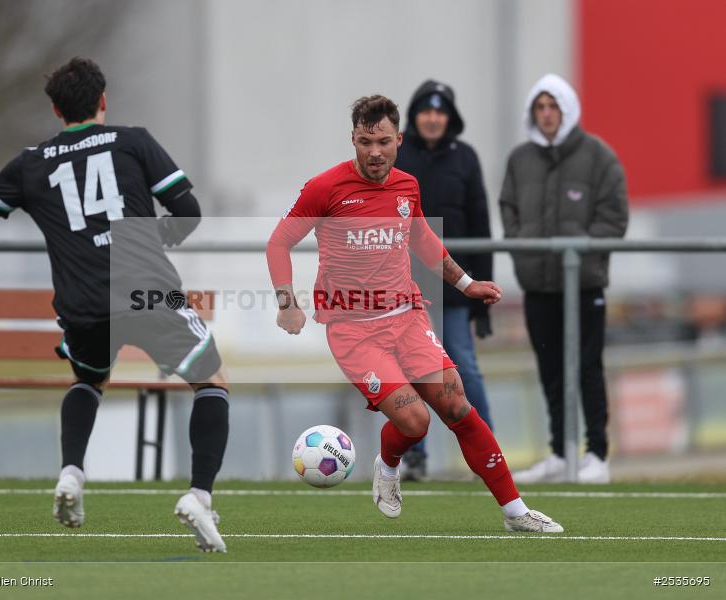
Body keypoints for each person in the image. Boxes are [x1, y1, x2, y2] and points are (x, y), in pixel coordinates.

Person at [0, 57, 230, 552]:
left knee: (89, 379)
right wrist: (157, 236)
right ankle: (199, 496)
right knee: (211, 382)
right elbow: (188, 211)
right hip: (146, 290)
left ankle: (72, 475)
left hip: (83, 305)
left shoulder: (30, 163)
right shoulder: (134, 141)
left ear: (56, 110)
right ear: (103, 101)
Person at [266, 95, 563, 532]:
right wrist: (287, 303)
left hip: (406, 318)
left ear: (398, 140)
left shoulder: (407, 186)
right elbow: (278, 243)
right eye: (365, 141)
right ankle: (387, 466)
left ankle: (515, 512)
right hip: (354, 332)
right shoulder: (325, 188)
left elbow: (423, 240)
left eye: (383, 141)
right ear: (353, 139)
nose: (374, 152)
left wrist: (467, 283)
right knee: (415, 420)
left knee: (458, 406)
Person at [500, 73, 628, 484]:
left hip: (585, 284)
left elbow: (614, 217)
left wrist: (580, 249)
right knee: (550, 369)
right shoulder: (520, 160)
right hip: (539, 286)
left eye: (553, 106)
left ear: (567, 109)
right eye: (540, 107)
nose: (546, 115)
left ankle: (598, 456)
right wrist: (523, 245)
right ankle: (559, 451)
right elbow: (509, 209)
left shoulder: (598, 156)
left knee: (587, 367)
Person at [395, 79, 494, 481]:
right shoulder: (399, 157)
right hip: (409, 284)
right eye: (426, 111)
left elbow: (482, 225)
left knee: (464, 367)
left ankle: (487, 450)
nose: (433, 119)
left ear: (450, 118)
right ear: (415, 116)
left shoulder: (466, 158)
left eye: (440, 112)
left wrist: (481, 290)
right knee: (413, 369)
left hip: (455, 282)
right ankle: (414, 454)